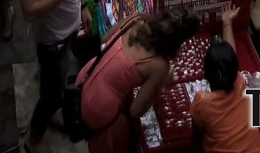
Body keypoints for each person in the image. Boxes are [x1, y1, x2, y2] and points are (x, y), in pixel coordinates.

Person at [15, 0, 90, 151]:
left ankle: (50, 82)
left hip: (70, 30)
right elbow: (29, 12)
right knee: (51, 97)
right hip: (52, 40)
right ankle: (33, 137)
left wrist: (83, 6)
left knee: (57, 75)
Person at [78, 9, 200, 153]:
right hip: (99, 106)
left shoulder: (136, 19)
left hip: (87, 76)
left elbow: (105, 39)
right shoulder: (160, 65)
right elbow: (135, 111)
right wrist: (158, 84)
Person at [190, 7, 260, 153]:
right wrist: (227, 23)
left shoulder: (202, 103)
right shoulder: (240, 83)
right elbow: (230, 56)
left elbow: (196, 139)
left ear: (206, 73)